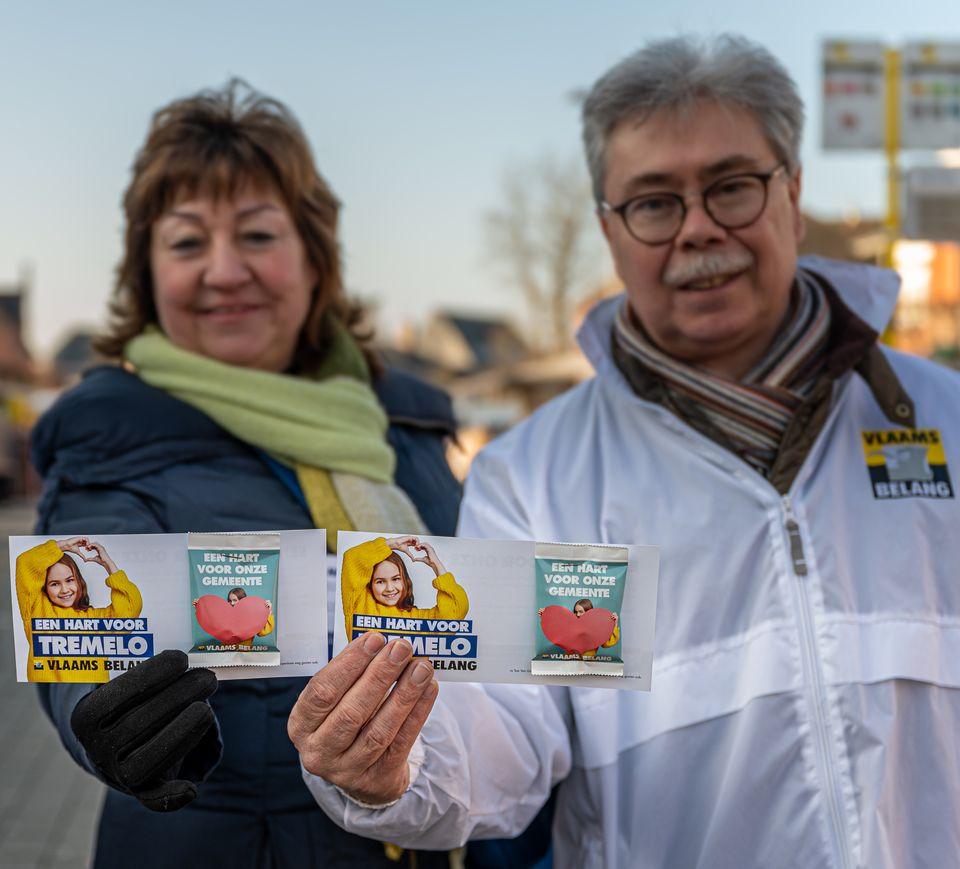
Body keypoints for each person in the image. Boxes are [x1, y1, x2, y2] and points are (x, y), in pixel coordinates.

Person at [289, 34, 960, 868]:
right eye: (654, 202)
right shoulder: (534, 475)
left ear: (792, 189)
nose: (698, 229)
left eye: (732, 186)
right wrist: (396, 764)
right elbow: (505, 734)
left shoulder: (949, 418)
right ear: (609, 227)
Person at [31, 80, 463, 868]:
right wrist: (104, 712)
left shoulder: (405, 422)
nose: (224, 272)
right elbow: (87, 609)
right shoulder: (108, 432)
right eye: (188, 243)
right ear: (148, 272)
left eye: (257, 236)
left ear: (313, 255)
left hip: (431, 831)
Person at [15, 537, 142, 682]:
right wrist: (63, 545)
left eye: (69, 580)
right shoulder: (37, 609)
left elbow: (131, 607)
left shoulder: (95, 619)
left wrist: (108, 564)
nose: (64, 590)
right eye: (54, 584)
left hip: (91, 697)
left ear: (79, 581)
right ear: (45, 588)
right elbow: (24, 563)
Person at [340, 535, 468, 639]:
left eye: (396, 579)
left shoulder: (416, 619)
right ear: (370, 584)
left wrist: (436, 565)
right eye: (380, 581)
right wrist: (392, 544)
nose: (390, 588)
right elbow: (351, 558)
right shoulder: (360, 605)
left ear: (405, 581)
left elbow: (454, 614)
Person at [191, 587, 275, 646]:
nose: (232, 603)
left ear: (243, 600)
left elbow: (262, 632)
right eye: (230, 600)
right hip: (226, 652)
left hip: (244, 654)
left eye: (235, 600)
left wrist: (268, 612)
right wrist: (199, 607)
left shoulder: (251, 615)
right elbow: (211, 622)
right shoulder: (223, 614)